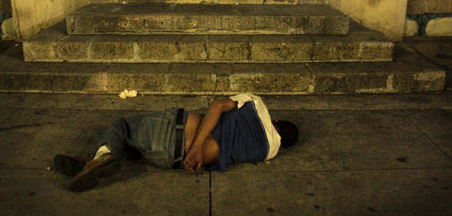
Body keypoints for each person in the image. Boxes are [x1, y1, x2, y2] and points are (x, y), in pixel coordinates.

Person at [54, 94, 299, 192]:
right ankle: (87, 163)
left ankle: (100, 157)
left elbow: (217, 105)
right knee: (133, 146)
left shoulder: (256, 104)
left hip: (175, 130)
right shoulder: (265, 152)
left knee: (122, 126)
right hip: (174, 161)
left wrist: (195, 148)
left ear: (276, 119)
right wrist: (193, 156)